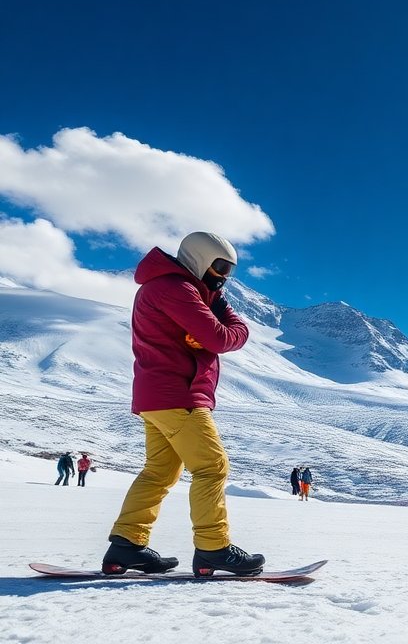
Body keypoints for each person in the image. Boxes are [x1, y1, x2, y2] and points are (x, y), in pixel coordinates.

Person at [102, 231, 263, 577]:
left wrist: (213, 306)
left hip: (157, 395)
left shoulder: (165, 287)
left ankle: (126, 546)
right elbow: (221, 338)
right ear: (198, 258)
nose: (223, 277)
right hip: (179, 394)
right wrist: (230, 317)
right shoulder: (176, 288)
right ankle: (213, 548)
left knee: (159, 472)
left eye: (229, 270)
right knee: (212, 466)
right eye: (220, 266)